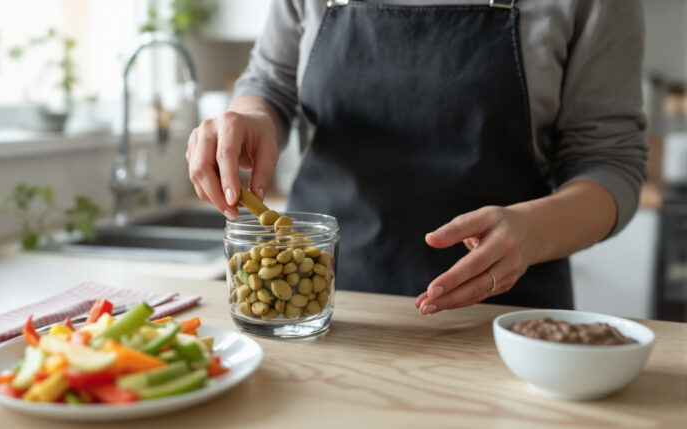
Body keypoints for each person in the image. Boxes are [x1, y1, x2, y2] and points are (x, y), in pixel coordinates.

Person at [185, 0, 647, 315]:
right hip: (323, 308)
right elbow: (270, 82)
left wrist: (533, 233)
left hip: (504, 323)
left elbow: (610, 162)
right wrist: (249, 117)